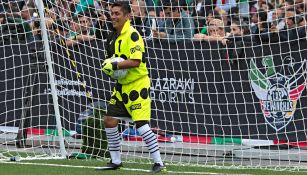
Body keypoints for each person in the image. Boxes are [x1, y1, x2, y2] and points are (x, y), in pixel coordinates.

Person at [100, 1, 166, 173]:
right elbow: (111, 61)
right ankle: (115, 161)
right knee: (109, 120)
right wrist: (110, 69)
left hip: (138, 84)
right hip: (122, 85)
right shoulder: (111, 36)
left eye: (117, 14)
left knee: (142, 126)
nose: (113, 16)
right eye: (112, 13)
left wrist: (113, 67)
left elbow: (136, 61)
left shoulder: (133, 35)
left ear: (127, 16)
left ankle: (159, 163)